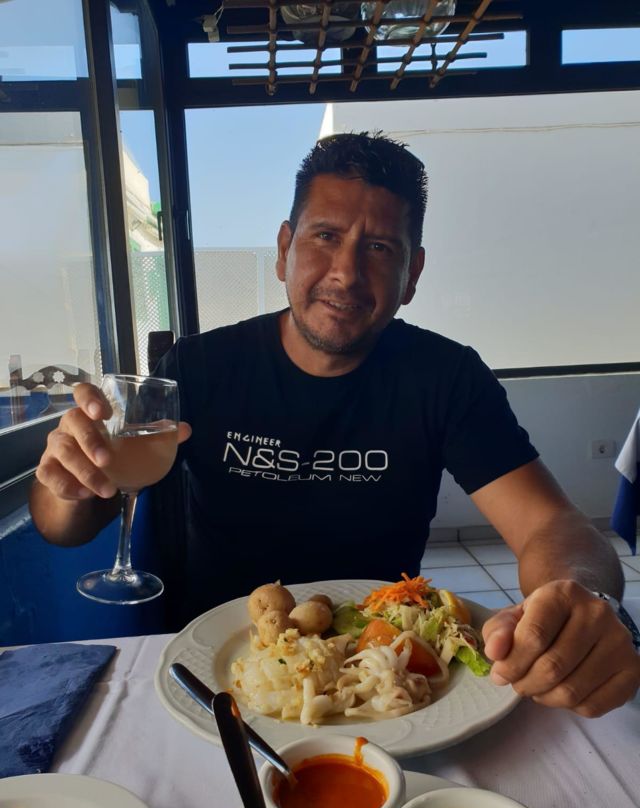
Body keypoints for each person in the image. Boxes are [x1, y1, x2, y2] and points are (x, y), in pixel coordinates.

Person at [29, 132, 639, 717]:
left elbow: (552, 527)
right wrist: (68, 480)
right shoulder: (199, 367)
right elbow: (64, 526)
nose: (346, 272)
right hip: (217, 677)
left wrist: (586, 597)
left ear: (413, 273)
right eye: (325, 236)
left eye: (380, 248)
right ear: (284, 250)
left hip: (378, 687)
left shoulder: (445, 377)